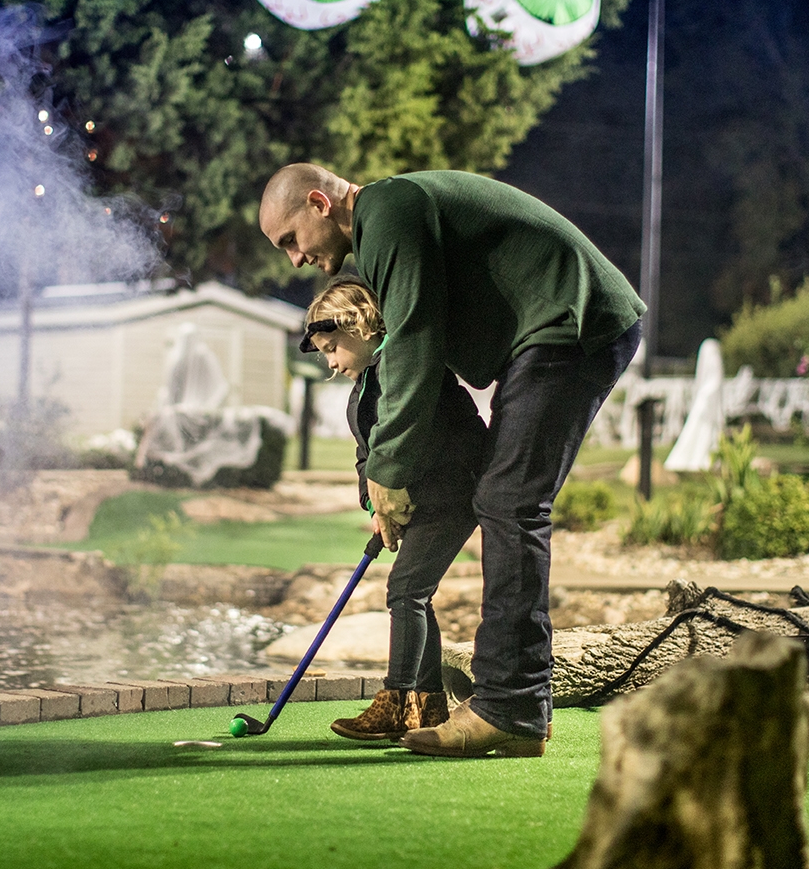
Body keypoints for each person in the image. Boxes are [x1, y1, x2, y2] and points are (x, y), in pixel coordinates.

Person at [260, 164, 643, 758]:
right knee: (505, 500)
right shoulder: (385, 225)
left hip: (570, 321)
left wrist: (388, 470)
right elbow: (416, 336)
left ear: (319, 203)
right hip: (547, 334)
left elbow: (413, 340)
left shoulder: (387, 212)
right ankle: (518, 708)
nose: (294, 258)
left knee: (510, 503)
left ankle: (509, 706)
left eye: (291, 239)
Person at [300, 278, 485, 741]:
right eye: (324, 354)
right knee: (413, 592)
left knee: (406, 590)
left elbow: (422, 437)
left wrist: (397, 497)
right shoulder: (362, 389)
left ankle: (397, 701)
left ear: (359, 326)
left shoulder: (406, 367)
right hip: (421, 501)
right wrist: (375, 505)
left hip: (453, 492)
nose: (331, 362)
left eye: (332, 348)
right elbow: (366, 457)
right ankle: (429, 706)